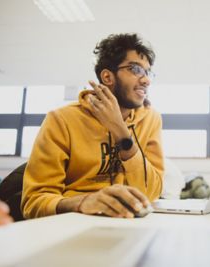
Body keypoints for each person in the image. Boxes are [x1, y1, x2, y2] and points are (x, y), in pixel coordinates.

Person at [21, 33, 164, 219]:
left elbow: (152, 193)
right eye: (136, 69)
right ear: (107, 77)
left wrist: (121, 132)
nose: (146, 80)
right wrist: (83, 202)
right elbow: (33, 203)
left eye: (147, 72)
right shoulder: (62, 119)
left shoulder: (151, 118)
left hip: (130, 222)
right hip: (74, 223)